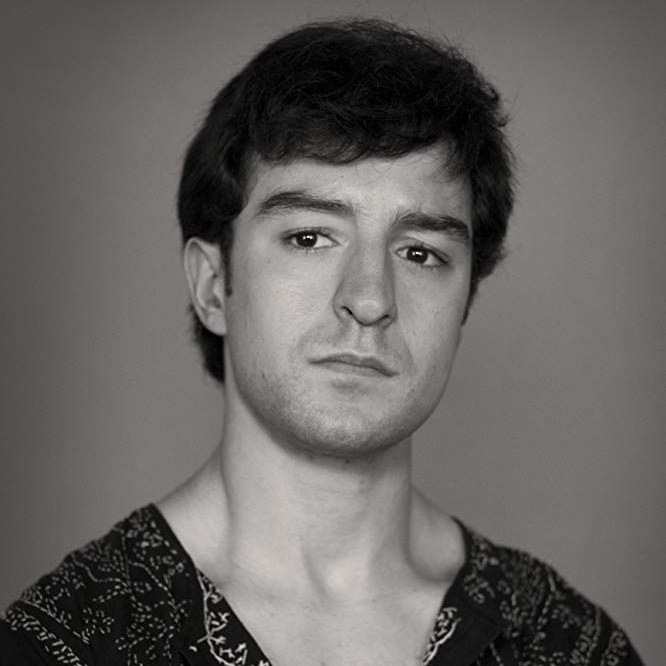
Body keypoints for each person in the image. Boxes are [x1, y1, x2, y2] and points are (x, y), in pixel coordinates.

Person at [0, 18, 644, 666]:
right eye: (308, 238)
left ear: (466, 301)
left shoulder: (568, 645)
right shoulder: (61, 644)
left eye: (420, 252)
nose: (369, 299)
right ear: (214, 286)